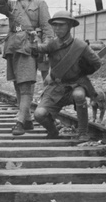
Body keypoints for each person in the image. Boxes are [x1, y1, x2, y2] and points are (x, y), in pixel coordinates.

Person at [0, 0, 53, 135]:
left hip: (29, 47)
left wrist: (47, 48)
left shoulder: (39, 4)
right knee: (17, 84)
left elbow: (47, 28)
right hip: (13, 47)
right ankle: (27, 119)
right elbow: (1, 7)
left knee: (26, 84)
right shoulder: (12, 4)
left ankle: (19, 122)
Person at [33, 11, 101, 140]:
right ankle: (53, 131)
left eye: (62, 25)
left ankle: (83, 132)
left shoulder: (80, 46)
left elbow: (97, 62)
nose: (57, 28)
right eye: (55, 25)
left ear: (70, 26)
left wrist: (83, 70)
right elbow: (39, 48)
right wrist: (32, 42)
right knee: (39, 114)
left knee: (79, 95)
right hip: (56, 87)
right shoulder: (52, 44)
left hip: (76, 84)